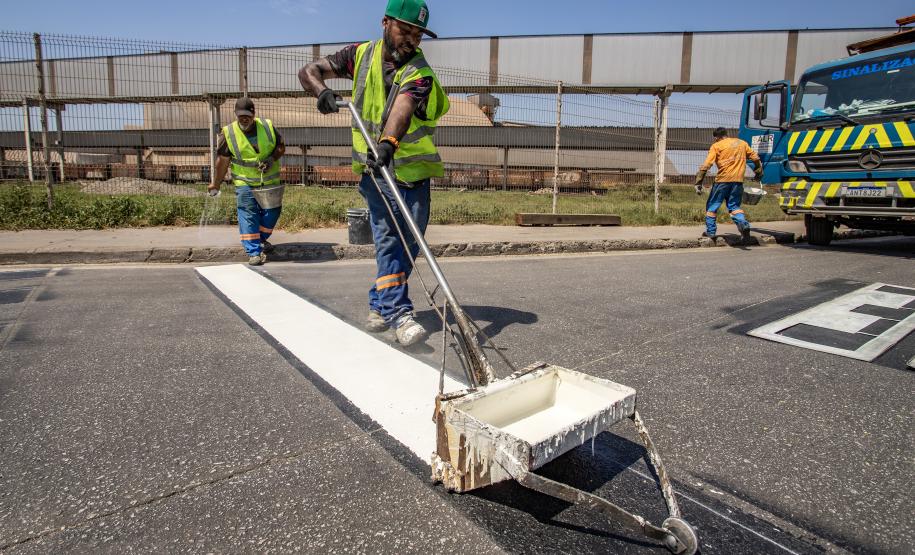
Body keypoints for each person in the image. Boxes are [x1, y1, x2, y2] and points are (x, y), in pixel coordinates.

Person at [298, 0, 449, 347]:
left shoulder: (419, 72)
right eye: (405, 30)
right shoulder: (359, 56)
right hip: (375, 172)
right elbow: (310, 69)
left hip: (413, 171)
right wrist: (320, 91)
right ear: (385, 23)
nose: (411, 39)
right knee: (387, 241)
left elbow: (404, 107)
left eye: (417, 34)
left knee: (409, 246)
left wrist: (389, 143)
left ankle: (379, 304)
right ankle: (399, 313)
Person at [208, 97, 286, 266]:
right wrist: (216, 183)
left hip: (269, 181)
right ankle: (254, 252)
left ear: (253, 114)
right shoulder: (228, 133)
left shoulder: (267, 126)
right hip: (244, 183)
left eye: (247, 115)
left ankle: (259, 238)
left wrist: (272, 159)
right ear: (236, 114)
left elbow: (281, 146)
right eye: (240, 115)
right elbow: (222, 161)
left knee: (273, 213)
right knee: (248, 214)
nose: (244, 118)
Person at [695, 127, 763, 242]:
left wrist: (699, 182)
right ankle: (743, 224)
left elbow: (707, 164)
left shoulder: (716, 146)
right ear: (726, 134)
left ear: (716, 137)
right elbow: (756, 158)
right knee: (734, 207)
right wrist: (758, 173)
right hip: (738, 181)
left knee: (712, 206)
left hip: (722, 181)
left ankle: (711, 232)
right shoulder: (741, 143)